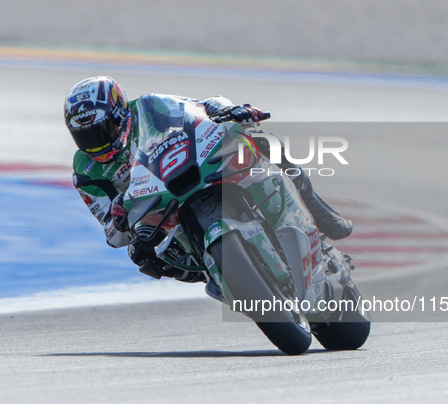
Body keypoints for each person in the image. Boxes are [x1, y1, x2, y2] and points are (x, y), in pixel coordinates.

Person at [64, 76, 352, 281]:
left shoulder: (149, 107)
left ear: (120, 115)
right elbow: (113, 236)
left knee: (264, 142)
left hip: (191, 168)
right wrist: (117, 218)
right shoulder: (86, 172)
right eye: (85, 137)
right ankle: (220, 276)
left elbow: (197, 109)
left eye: (102, 131)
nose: (96, 144)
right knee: (140, 254)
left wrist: (227, 111)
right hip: (158, 211)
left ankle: (318, 212)